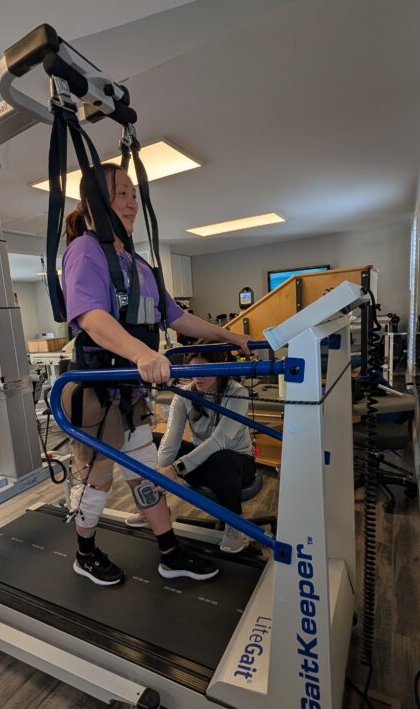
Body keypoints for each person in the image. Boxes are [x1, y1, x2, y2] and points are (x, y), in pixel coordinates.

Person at [59, 163, 252, 587]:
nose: (131, 202)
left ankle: (169, 552)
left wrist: (226, 335)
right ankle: (85, 553)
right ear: (94, 202)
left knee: (145, 471)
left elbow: (176, 315)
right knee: (98, 481)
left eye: (133, 193)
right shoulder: (85, 250)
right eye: (121, 193)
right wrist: (144, 352)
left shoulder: (137, 262)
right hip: (97, 392)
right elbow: (90, 317)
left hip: (130, 395)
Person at [131, 349, 257, 554]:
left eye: (204, 370)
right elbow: (171, 438)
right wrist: (159, 473)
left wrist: (176, 468)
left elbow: (220, 440)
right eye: (194, 370)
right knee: (150, 440)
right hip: (202, 462)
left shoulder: (237, 392)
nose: (198, 376)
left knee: (220, 458)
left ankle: (235, 527)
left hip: (236, 463)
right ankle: (153, 509)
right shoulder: (184, 395)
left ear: (219, 370)